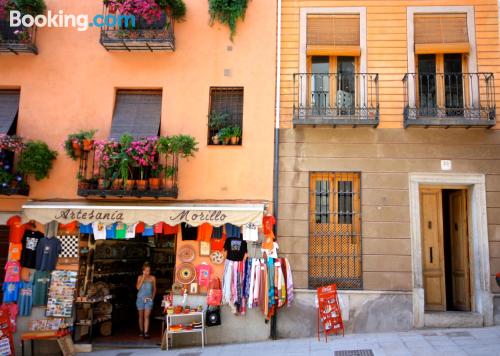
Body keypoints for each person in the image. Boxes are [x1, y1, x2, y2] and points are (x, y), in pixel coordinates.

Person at [136, 262, 156, 339]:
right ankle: (141, 331)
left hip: (149, 299)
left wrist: (152, 298)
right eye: (146, 271)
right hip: (140, 298)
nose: (148, 272)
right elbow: (137, 288)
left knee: (146, 316)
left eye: (149, 271)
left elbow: (154, 289)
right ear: (143, 271)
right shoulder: (139, 277)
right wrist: (143, 278)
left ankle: (146, 332)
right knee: (140, 316)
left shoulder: (152, 278)